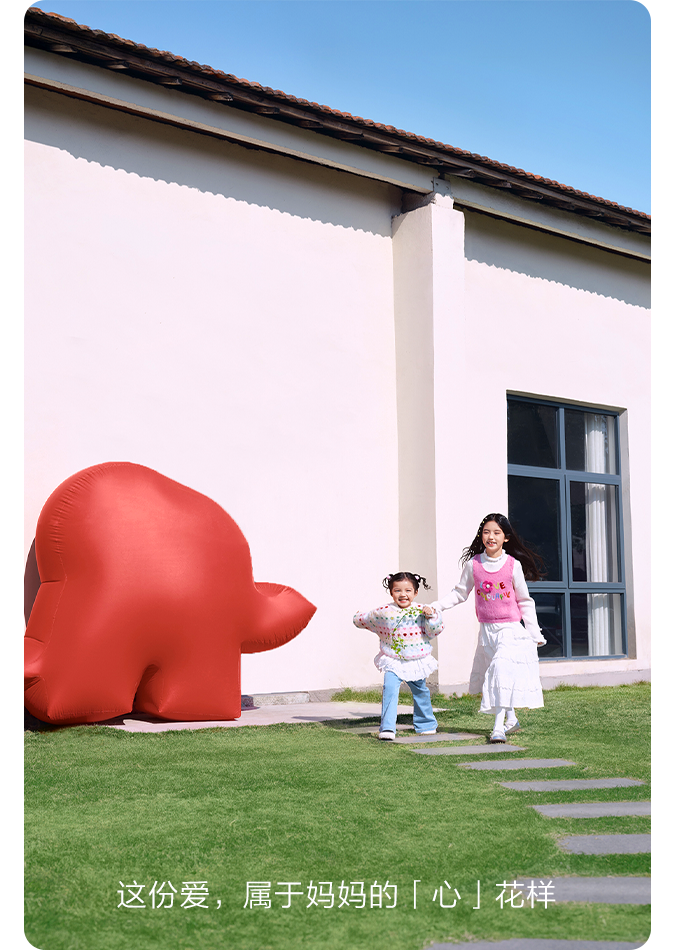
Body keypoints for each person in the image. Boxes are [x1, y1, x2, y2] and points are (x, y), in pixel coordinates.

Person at [429, 514, 547, 743]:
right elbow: (459, 593)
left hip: (510, 629)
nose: (491, 537)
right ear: (481, 536)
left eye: (496, 533)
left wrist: (534, 632)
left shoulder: (513, 565)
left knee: (500, 671)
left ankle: (498, 728)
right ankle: (512, 720)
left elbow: (524, 600)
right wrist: (436, 606)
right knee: (498, 678)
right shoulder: (474, 565)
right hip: (487, 631)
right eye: (486, 532)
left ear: (506, 538)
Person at [354, 572, 443, 740]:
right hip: (393, 660)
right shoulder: (385, 611)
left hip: (416, 661)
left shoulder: (421, 610)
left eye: (408, 590)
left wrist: (431, 615)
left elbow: (435, 630)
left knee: (421, 692)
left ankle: (426, 724)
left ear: (415, 592)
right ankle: (388, 727)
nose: (403, 594)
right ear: (391, 592)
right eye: (397, 590)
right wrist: (357, 618)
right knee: (389, 689)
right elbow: (368, 618)